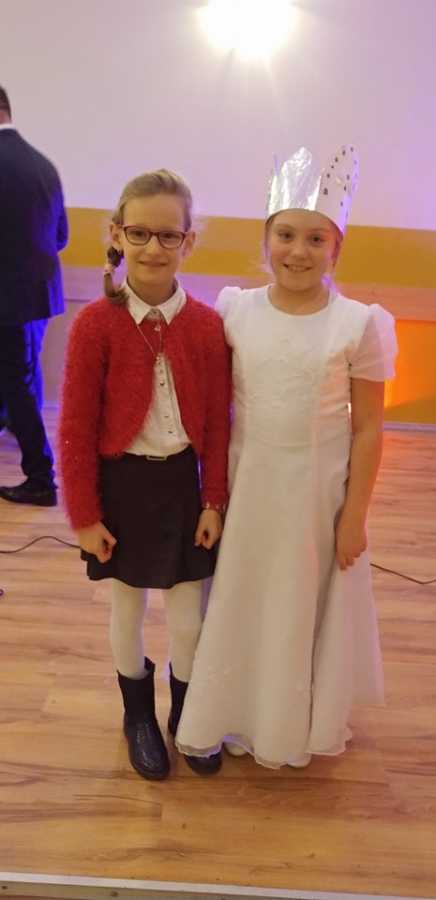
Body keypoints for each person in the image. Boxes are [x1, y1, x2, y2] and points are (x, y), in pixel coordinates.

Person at [177, 146, 398, 769]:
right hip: (248, 487)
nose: (298, 251)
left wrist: (355, 516)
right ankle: (231, 710)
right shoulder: (234, 309)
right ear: (266, 239)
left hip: (314, 497)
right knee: (242, 596)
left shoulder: (359, 323)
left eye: (315, 239)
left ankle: (288, 721)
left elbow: (369, 429)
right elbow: (212, 409)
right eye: (286, 235)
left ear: (336, 249)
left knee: (299, 602)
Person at [58, 169, 231, 780]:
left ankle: (187, 712)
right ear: (116, 234)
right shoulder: (95, 325)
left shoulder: (207, 326)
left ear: (189, 241)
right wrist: (85, 516)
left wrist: (213, 501)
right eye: (139, 233)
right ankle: (137, 716)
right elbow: (75, 428)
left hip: (183, 488)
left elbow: (218, 424)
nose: (153, 248)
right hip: (122, 490)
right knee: (127, 610)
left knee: (188, 619)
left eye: (168, 235)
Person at [0, 85, 68, 506]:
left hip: (7, 299)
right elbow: (61, 236)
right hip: (39, 296)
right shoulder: (43, 164)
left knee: (19, 385)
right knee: (22, 380)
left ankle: (41, 479)